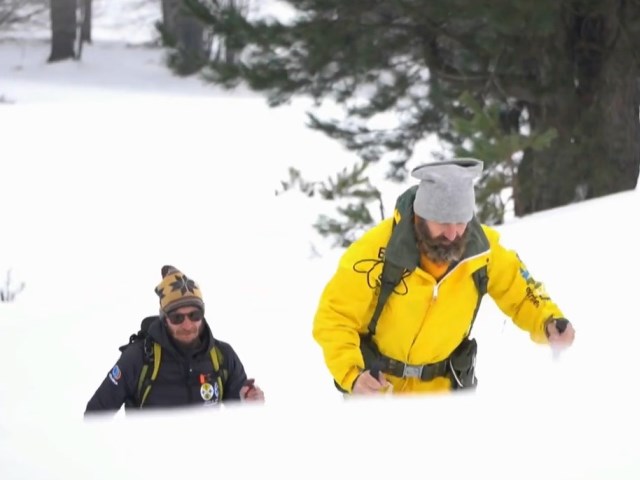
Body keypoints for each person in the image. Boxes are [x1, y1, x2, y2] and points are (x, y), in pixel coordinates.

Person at [312, 158, 576, 396]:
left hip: (445, 396)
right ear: (420, 216)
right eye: (442, 223)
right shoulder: (375, 251)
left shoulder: (483, 252)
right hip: (379, 391)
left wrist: (548, 321)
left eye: (461, 222)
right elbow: (335, 317)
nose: (452, 235)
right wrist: (352, 375)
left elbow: (521, 293)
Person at [85, 265, 264, 414]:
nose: (187, 325)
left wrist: (250, 402)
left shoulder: (223, 356)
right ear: (164, 319)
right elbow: (95, 417)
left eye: (194, 315)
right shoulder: (138, 358)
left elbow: (243, 414)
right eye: (177, 318)